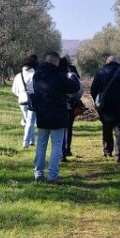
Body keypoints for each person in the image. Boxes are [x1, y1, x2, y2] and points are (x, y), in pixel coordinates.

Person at [29, 51, 80, 184]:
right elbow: (73, 88)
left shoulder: (37, 74)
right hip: (58, 114)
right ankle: (52, 175)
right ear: (56, 61)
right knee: (57, 144)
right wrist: (73, 77)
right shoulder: (59, 75)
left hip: (42, 114)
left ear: (46, 60)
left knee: (41, 145)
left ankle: (38, 174)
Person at [90, 56, 120, 162]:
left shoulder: (100, 73)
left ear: (107, 62)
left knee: (107, 129)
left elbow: (93, 89)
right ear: (117, 62)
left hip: (105, 106)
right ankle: (119, 155)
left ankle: (107, 151)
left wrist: (97, 100)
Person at [61, 57, 84, 162]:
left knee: (60, 129)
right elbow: (80, 90)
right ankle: (66, 149)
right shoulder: (72, 75)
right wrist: (75, 99)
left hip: (58, 106)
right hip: (70, 106)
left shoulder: (55, 75)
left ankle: (61, 152)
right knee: (68, 128)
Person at [11, 55, 38, 148]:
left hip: (22, 101)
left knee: (28, 121)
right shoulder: (35, 75)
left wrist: (21, 94)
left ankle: (32, 141)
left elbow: (14, 90)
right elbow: (37, 89)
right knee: (30, 122)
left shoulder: (18, 76)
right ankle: (26, 142)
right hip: (32, 100)